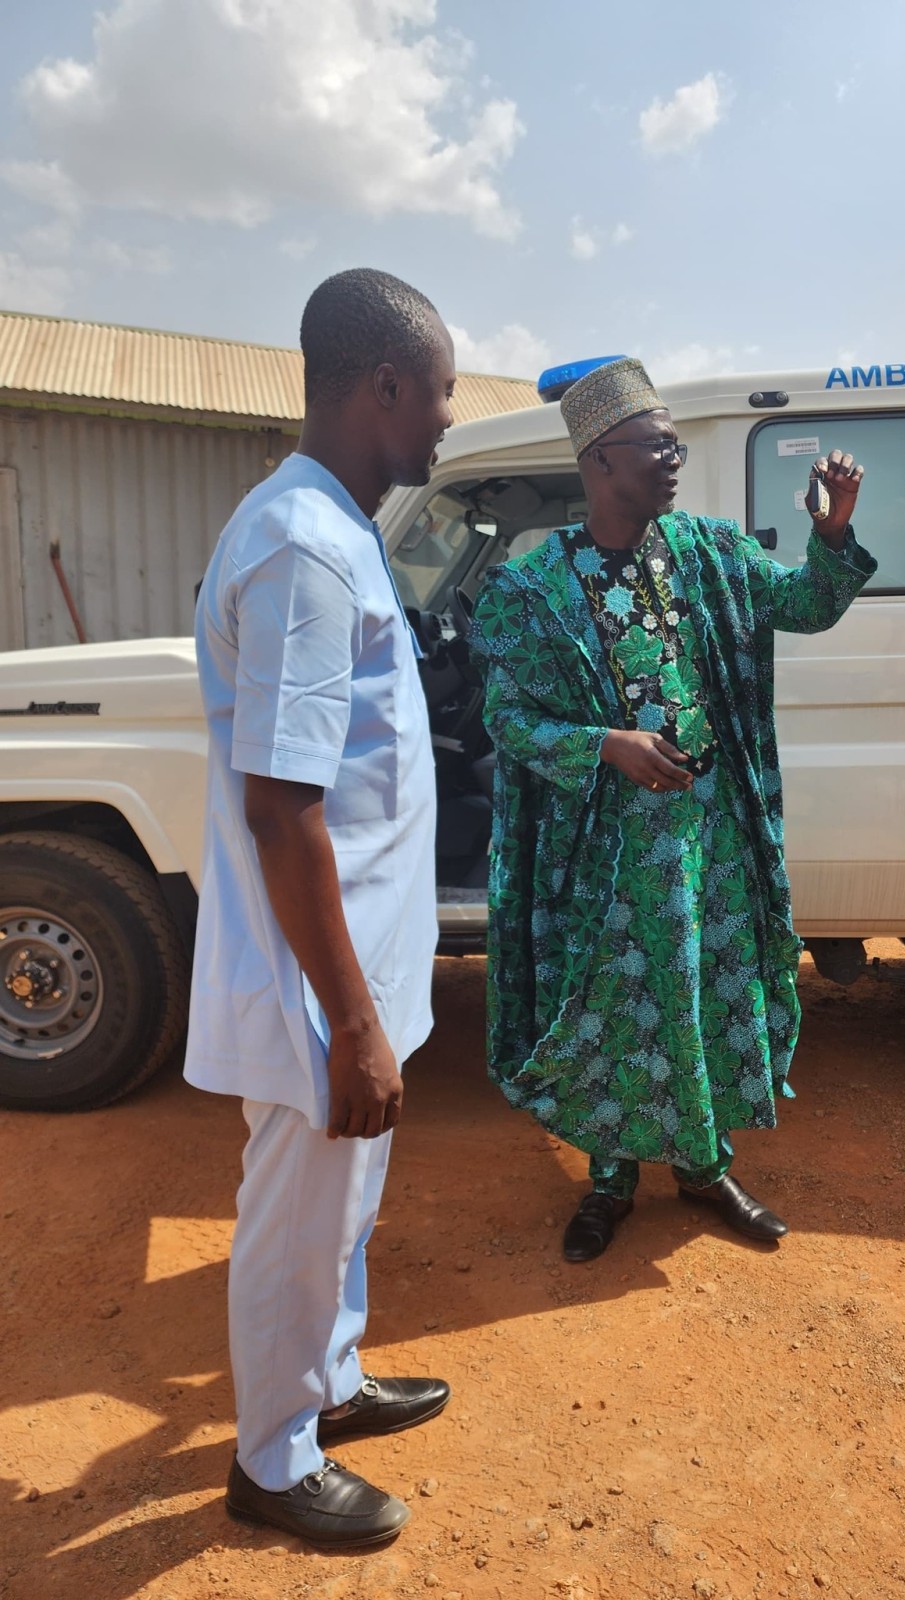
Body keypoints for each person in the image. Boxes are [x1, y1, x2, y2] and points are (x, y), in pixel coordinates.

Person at [472, 357, 876, 1263]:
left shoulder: (710, 553)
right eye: (656, 446)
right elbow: (511, 720)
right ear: (599, 461)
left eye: (674, 444)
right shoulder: (538, 589)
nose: (674, 460)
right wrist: (605, 745)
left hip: (710, 837)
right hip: (607, 848)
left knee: (704, 991)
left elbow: (806, 605)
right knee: (615, 1005)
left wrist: (835, 534)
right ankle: (609, 1182)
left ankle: (705, 1166)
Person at [184, 268, 455, 1549]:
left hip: (358, 968)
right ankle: (271, 1458)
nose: (449, 422)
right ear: (386, 386)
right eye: (443, 395)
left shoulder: (335, 529)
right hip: (316, 982)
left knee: (342, 1205)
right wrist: (349, 1018)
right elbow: (284, 809)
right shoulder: (301, 546)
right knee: (298, 1216)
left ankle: (330, 1384)